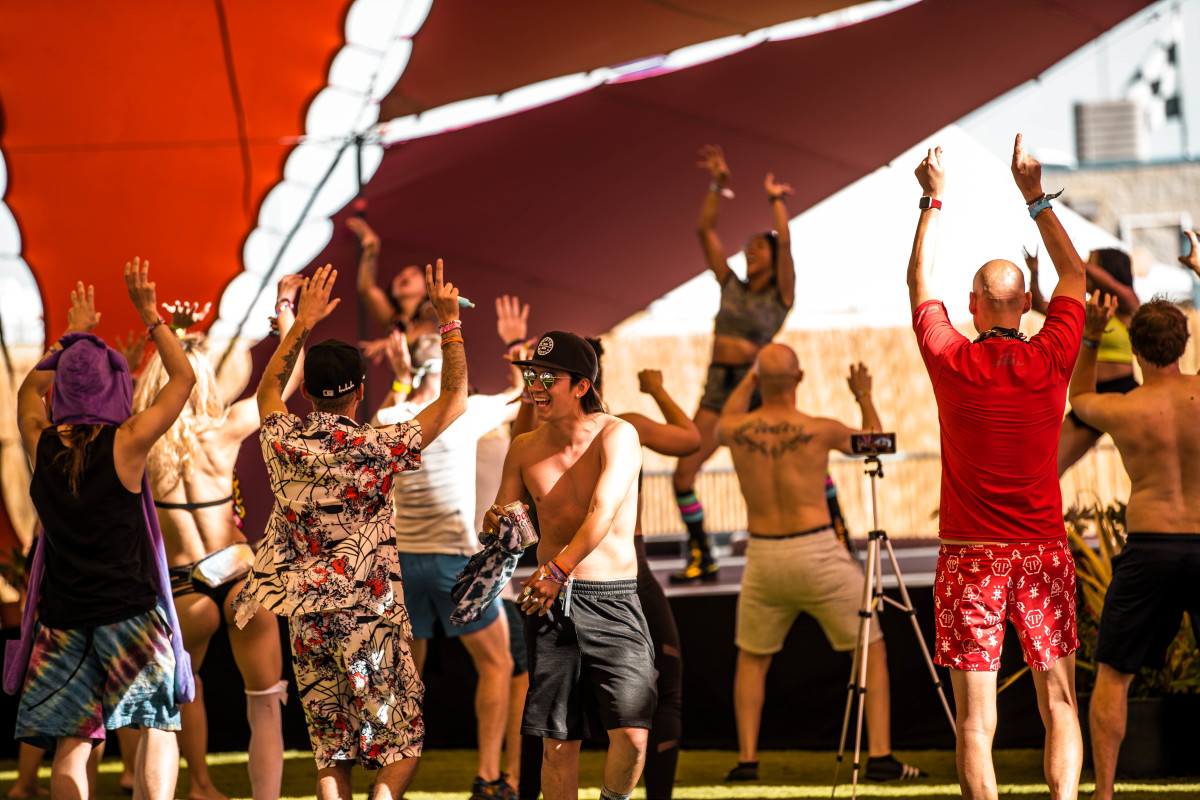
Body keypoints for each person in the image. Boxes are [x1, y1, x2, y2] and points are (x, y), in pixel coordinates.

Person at [233, 261, 466, 800]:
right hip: (371, 615)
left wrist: (301, 322)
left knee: (332, 752)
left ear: (308, 392)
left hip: (307, 618)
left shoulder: (282, 439)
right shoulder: (376, 446)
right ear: (361, 390)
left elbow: (269, 388)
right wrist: (449, 323)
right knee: (401, 746)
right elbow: (453, 401)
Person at [909, 136, 1086, 800]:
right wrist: (1034, 193)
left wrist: (931, 198)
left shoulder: (950, 357)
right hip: (1041, 550)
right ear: (1024, 303)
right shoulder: (1052, 357)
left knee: (976, 724)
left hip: (969, 556)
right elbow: (1075, 279)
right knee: (1059, 702)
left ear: (974, 307)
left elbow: (917, 282)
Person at [14, 260, 196, 800]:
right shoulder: (128, 442)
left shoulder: (39, 442)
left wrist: (70, 340)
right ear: (115, 385)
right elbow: (183, 379)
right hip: (131, 614)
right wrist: (149, 314)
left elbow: (30, 389)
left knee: (73, 738)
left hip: (64, 616)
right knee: (157, 727)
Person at [127, 277, 303, 800]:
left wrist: (158, 334)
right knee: (266, 699)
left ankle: (192, 785)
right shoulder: (222, 429)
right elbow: (285, 378)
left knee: (173, 701)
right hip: (239, 575)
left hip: (183, 588)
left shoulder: (138, 439)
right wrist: (286, 311)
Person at [715, 346, 921, 782]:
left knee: (752, 658)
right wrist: (863, 395)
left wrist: (752, 380)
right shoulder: (819, 429)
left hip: (764, 555)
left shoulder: (736, 429)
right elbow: (878, 444)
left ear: (758, 381)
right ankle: (880, 756)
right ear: (801, 378)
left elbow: (719, 421)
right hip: (817, 552)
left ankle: (747, 761)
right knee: (871, 645)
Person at [483, 331, 655, 800]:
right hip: (548, 605)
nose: (535, 386)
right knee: (558, 746)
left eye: (547, 378)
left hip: (611, 597)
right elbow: (504, 517)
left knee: (634, 738)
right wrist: (495, 525)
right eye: (531, 376)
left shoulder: (619, 433)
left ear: (581, 385)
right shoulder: (523, 446)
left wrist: (557, 571)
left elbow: (603, 511)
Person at [372, 328, 523, 800]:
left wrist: (400, 380)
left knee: (406, 678)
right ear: (446, 369)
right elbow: (520, 396)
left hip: (404, 565)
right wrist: (517, 353)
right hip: (454, 565)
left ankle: (391, 773)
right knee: (498, 664)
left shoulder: (388, 416)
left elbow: (397, 406)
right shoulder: (464, 411)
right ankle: (488, 776)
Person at [1067, 293, 1200, 800]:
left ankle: (1103, 793)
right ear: (1183, 344)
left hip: (1151, 548)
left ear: (1137, 350)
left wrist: (1094, 335)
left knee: (1114, 673)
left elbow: (1078, 399)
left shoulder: (1125, 409)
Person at [671, 145, 794, 582]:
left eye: (760, 246)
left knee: (786, 464)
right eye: (748, 246)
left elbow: (788, 244)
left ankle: (833, 529)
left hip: (755, 390)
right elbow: (705, 232)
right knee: (683, 473)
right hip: (716, 388)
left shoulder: (780, 294)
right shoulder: (731, 285)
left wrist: (775, 201)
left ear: (776, 257)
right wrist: (717, 185)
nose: (750, 250)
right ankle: (703, 552)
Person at [1026, 246, 1140, 475]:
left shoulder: (1127, 303)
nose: (1085, 269)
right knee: (1047, 471)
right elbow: (1039, 305)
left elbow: (1110, 284)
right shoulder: (1085, 309)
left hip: (1125, 392)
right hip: (1090, 395)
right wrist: (1035, 274)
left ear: (1105, 270)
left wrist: (1074, 262)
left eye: (1091, 263)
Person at [347, 216, 438, 362]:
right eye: (401, 274)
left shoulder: (430, 309)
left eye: (414, 274)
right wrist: (372, 247)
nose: (405, 276)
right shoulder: (395, 322)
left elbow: (428, 330)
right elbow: (366, 288)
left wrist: (389, 343)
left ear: (427, 289)